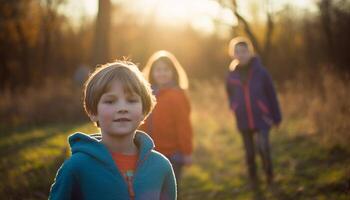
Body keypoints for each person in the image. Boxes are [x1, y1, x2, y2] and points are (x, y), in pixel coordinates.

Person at [49, 60, 176, 200]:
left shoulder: (161, 166)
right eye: (110, 101)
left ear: (143, 111)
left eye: (131, 100)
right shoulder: (76, 167)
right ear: (93, 112)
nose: (122, 108)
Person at [225, 37, 282, 188]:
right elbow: (229, 94)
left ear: (250, 52)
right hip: (243, 119)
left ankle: (269, 174)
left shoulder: (261, 72)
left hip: (262, 117)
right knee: (249, 153)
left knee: (264, 148)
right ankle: (253, 178)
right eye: (237, 52)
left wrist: (277, 117)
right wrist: (234, 106)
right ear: (233, 54)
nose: (241, 54)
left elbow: (271, 94)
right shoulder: (231, 75)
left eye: (244, 51)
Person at [141, 50, 193, 185]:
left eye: (166, 69)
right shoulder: (146, 95)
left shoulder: (177, 95)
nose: (162, 73)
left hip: (173, 153)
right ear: (152, 72)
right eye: (158, 70)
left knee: (169, 190)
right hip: (150, 153)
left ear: (173, 72)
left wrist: (187, 151)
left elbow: (184, 125)